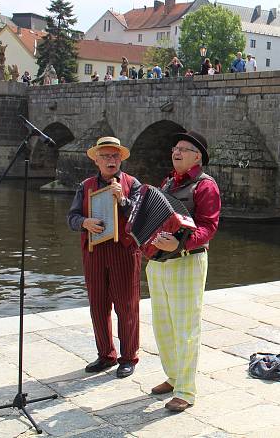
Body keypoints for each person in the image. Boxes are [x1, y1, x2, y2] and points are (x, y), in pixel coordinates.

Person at [147, 130, 220, 412]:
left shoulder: (206, 186)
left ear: (197, 156)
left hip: (188, 261)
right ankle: (174, 376)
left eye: (184, 149)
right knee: (163, 325)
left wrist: (180, 242)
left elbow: (209, 228)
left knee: (186, 327)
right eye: (175, 147)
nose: (176, 152)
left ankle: (186, 390)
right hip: (158, 261)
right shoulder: (166, 182)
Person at [67, 137, 142, 378]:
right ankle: (106, 355)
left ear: (120, 159)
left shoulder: (133, 184)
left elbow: (141, 216)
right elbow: (72, 218)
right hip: (95, 252)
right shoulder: (86, 186)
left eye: (115, 156)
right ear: (96, 160)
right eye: (106, 156)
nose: (111, 160)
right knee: (98, 306)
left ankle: (128, 357)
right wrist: (85, 222)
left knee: (127, 307)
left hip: (125, 253)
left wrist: (122, 200)